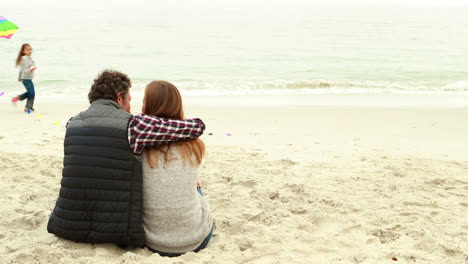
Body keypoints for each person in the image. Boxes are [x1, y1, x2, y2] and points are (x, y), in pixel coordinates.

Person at [47, 70, 206, 248]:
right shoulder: (133, 126)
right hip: (114, 231)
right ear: (120, 97)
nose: (131, 107)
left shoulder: (72, 124)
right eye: (130, 100)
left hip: (66, 224)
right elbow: (196, 127)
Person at [141, 81, 214, 256]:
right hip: (196, 240)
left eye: (144, 100)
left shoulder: (139, 146)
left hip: (153, 241)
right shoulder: (195, 144)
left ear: (150, 105)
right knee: (196, 187)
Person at [12, 43, 37, 112]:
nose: (30, 51)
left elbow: (21, 69)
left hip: (26, 78)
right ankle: (28, 107)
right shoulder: (25, 58)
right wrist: (31, 69)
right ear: (23, 51)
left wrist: (19, 77)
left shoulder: (27, 58)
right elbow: (25, 70)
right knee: (31, 93)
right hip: (26, 79)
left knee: (31, 92)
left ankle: (17, 98)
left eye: (30, 49)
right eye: (27, 50)